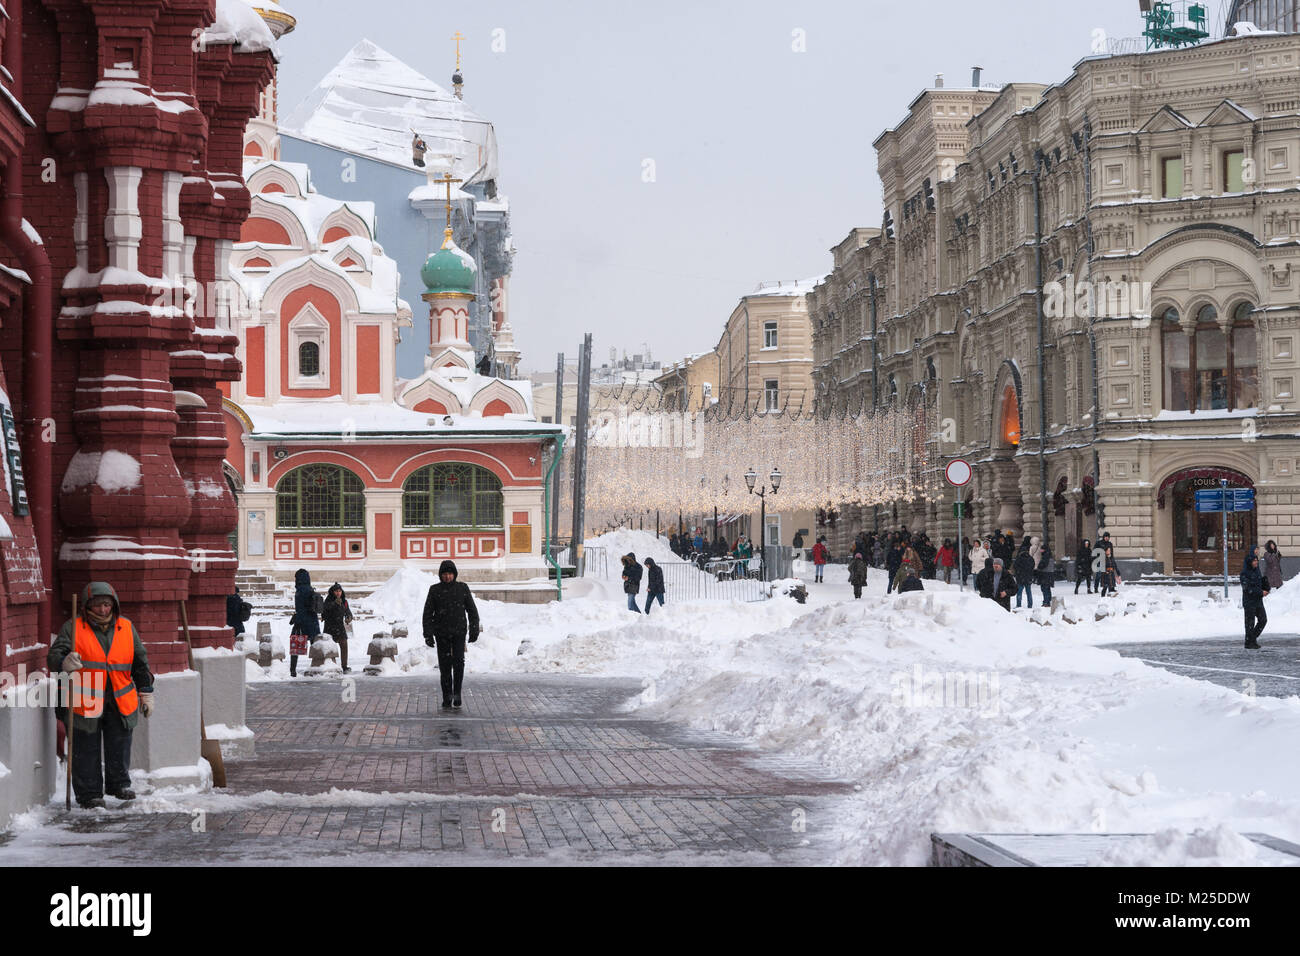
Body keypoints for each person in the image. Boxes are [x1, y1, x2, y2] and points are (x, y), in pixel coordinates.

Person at [48, 582, 155, 808]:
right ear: (87, 606)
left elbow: (139, 662)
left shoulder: (126, 627)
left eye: (107, 605)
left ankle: (119, 784)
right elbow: (54, 656)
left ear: (114, 605)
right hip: (84, 699)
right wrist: (64, 662)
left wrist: (145, 691)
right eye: (98, 605)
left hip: (119, 697)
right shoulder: (74, 628)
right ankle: (89, 794)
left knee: (120, 743)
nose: (103, 610)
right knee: (86, 747)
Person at [422, 559, 480, 707]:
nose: (447, 577)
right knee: (445, 665)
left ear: (454, 574)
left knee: (459, 664)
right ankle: (447, 696)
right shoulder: (435, 590)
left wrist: (474, 630)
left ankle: (457, 694)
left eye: (450, 574)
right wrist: (428, 634)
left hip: (459, 632)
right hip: (441, 633)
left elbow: (472, 610)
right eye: (445, 574)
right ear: (440, 575)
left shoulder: (462, 588)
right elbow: (427, 613)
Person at [290, 567, 320, 678]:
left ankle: (292, 670)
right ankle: (319, 663)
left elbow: (301, 608)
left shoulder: (300, 591)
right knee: (315, 643)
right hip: (312, 621)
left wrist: (297, 620)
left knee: (295, 644)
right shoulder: (310, 589)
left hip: (302, 621)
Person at [1240, 546, 1270, 649]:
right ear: (1249, 562)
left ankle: (1251, 639)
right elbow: (1248, 588)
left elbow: (1259, 583)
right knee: (1250, 623)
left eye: (1257, 560)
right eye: (1254, 561)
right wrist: (1261, 592)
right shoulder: (1244, 574)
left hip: (1258, 601)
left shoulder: (1257, 571)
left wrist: (1266, 586)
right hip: (1249, 602)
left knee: (1263, 620)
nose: (1256, 562)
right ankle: (1249, 642)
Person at [322, 583, 354, 673]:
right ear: (332, 592)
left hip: (340, 627)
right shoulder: (328, 600)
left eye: (339, 591)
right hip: (330, 627)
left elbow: (348, 612)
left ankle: (344, 666)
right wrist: (334, 604)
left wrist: (349, 617)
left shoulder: (344, 601)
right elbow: (325, 612)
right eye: (336, 591)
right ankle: (331, 665)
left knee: (344, 645)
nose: (338, 593)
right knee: (330, 647)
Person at [1013, 541, 1036, 608]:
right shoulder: (1031, 559)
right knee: (1029, 592)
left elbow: (1015, 567)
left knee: (1019, 592)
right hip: (1028, 578)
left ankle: (1018, 604)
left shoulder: (1018, 558)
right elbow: (1032, 567)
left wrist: (1018, 573)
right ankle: (1030, 605)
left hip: (1020, 578)